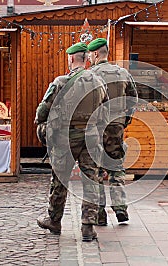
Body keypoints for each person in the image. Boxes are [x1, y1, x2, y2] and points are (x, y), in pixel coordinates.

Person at [34, 42, 109, 242]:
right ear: (86, 59)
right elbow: (105, 113)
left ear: (71, 59)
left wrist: (41, 125)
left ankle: (54, 220)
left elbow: (43, 109)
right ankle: (87, 226)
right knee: (91, 180)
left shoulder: (60, 82)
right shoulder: (99, 82)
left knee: (60, 180)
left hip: (66, 139)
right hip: (91, 138)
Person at [87, 38, 138, 226]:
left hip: (96, 128)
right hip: (116, 126)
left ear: (95, 54)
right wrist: (125, 120)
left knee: (97, 171)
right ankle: (121, 209)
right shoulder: (122, 73)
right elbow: (133, 99)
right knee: (116, 168)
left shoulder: (90, 75)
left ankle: (100, 215)